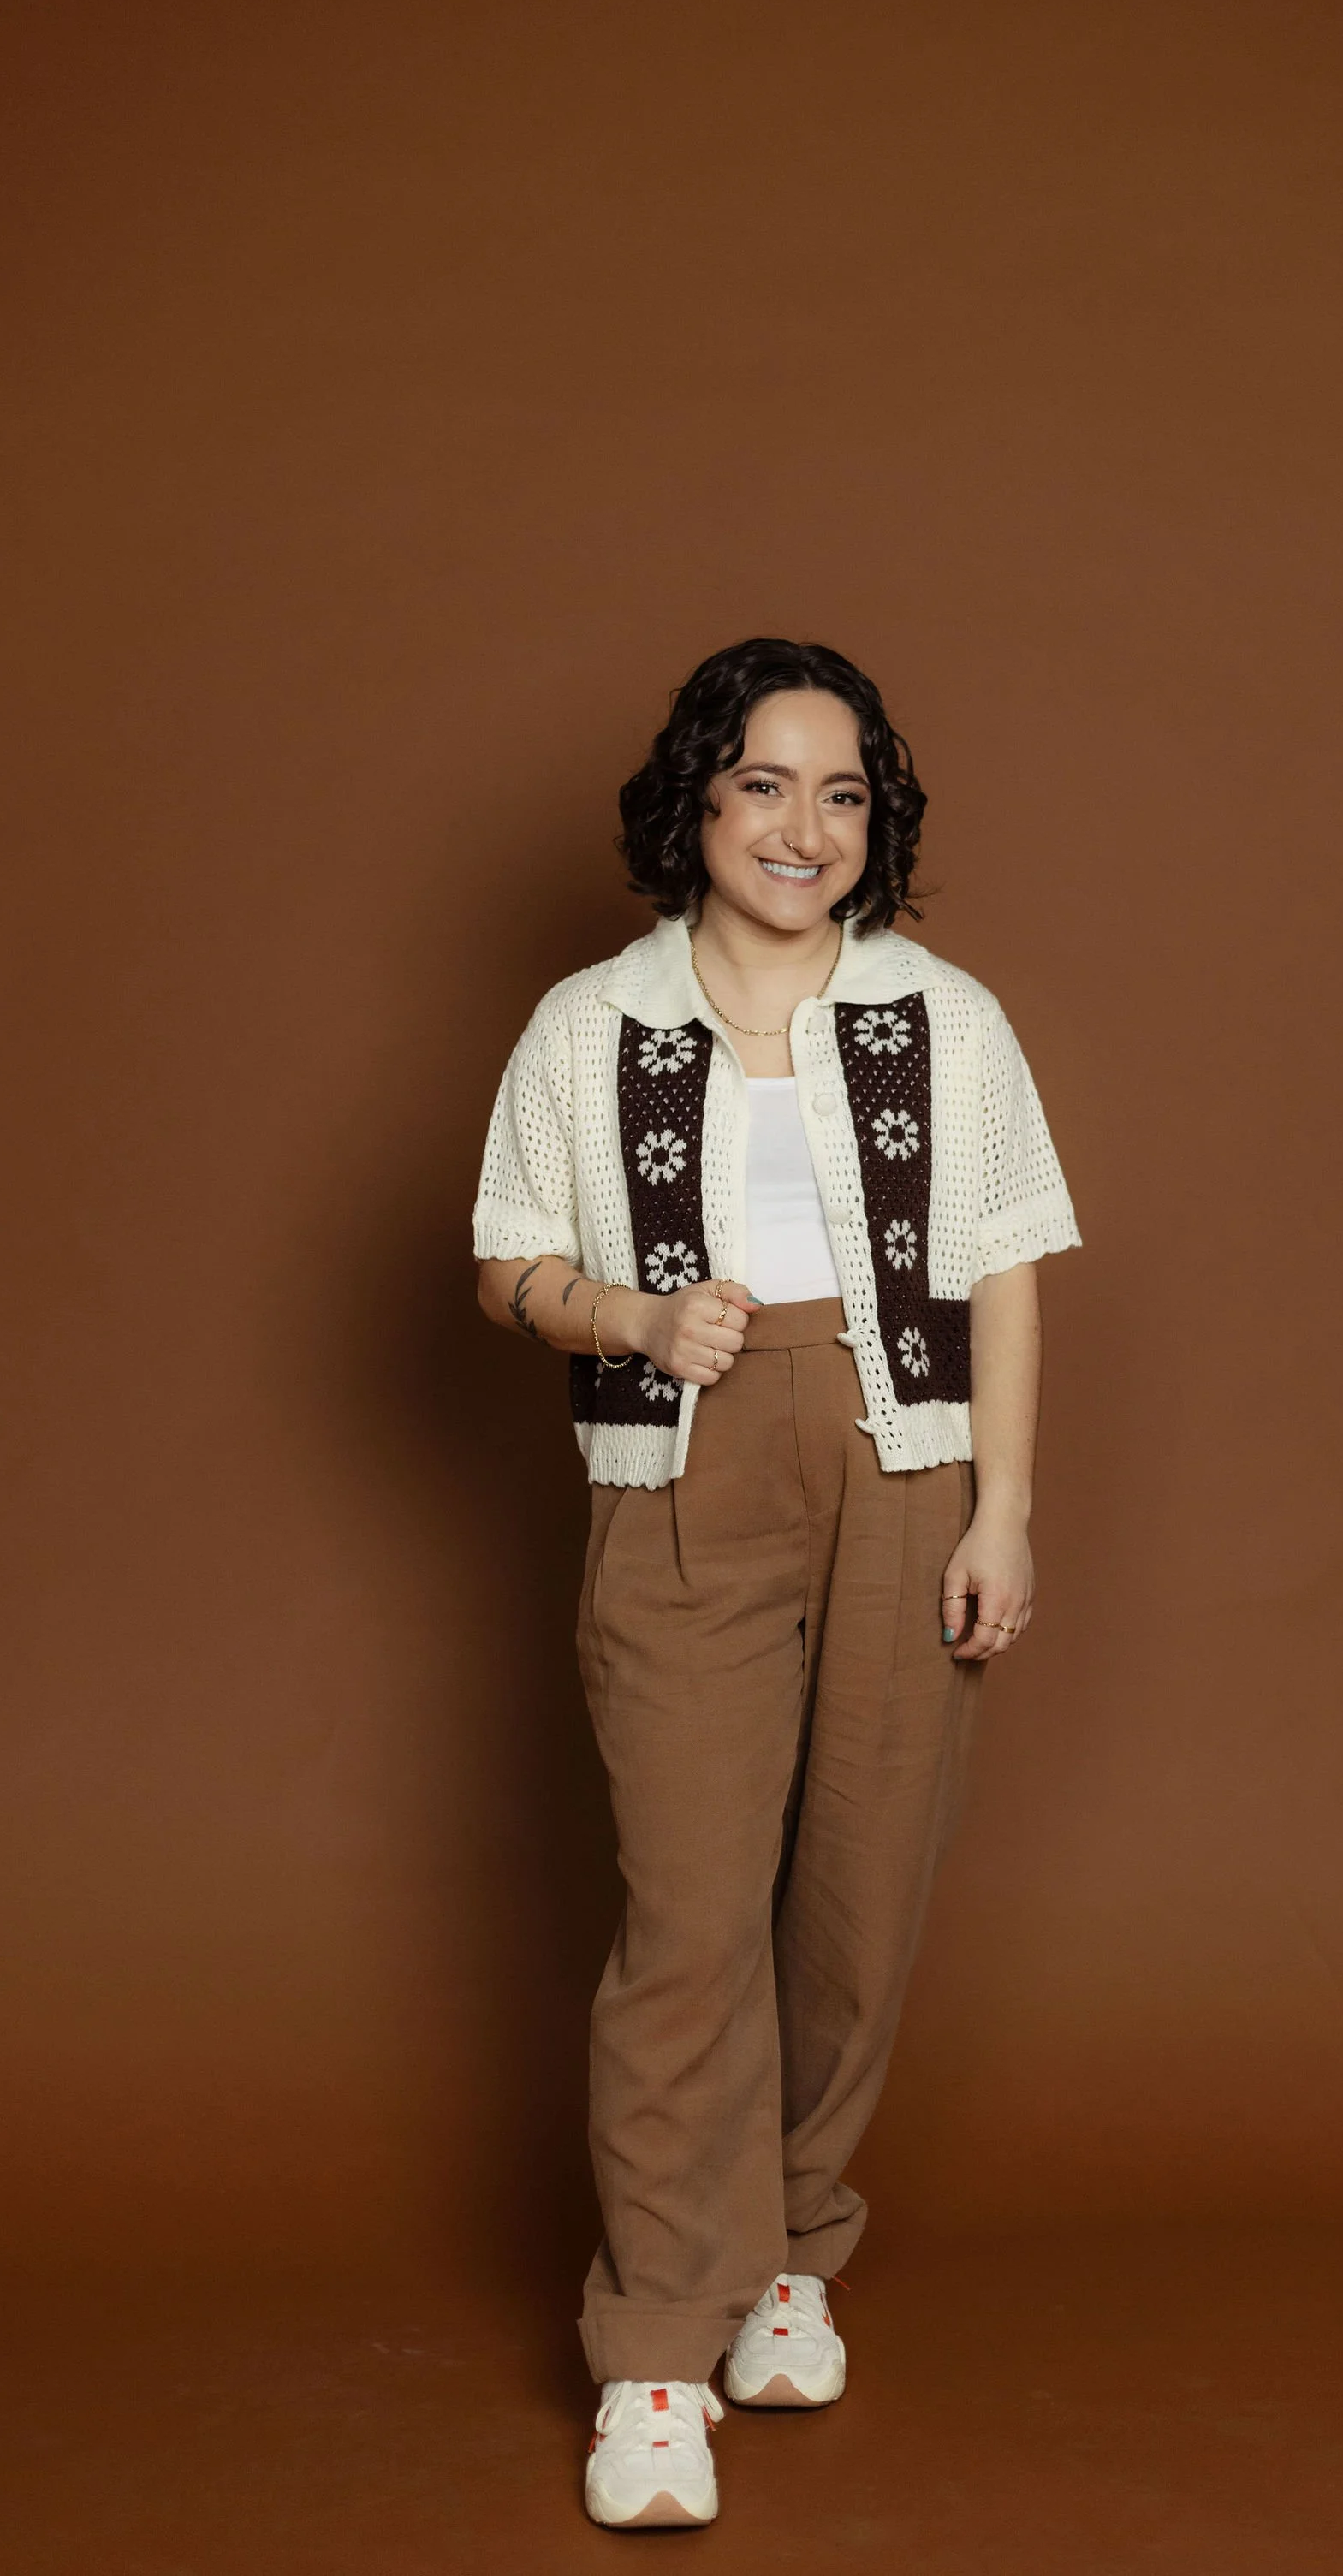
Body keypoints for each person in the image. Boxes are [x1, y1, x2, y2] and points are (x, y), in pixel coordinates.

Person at [472, 638, 1079, 2530]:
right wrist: (634, 1312)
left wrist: (1003, 1509)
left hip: (908, 1466)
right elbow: (505, 1259)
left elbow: (1003, 1269)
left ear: (870, 817)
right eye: (761, 783)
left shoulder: (943, 1018)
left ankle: (789, 2249)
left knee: (855, 1898)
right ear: (696, 801)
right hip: (680, 1471)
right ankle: (656, 2346)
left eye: (840, 791)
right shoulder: (592, 1023)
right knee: (687, 1907)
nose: (802, 825)